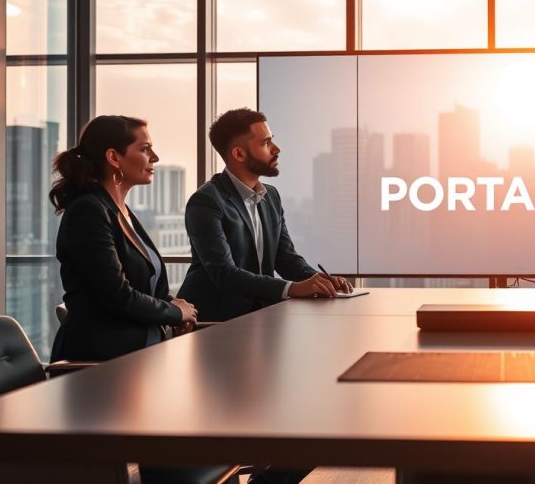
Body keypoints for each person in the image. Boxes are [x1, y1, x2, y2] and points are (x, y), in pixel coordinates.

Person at [178, 108, 352, 324]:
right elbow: (224, 273)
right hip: (215, 322)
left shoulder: (271, 196)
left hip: (261, 319)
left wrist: (319, 281)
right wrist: (294, 288)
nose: (276, 149)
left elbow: (285, 258)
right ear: (239, 154)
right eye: (266, 143)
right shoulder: (206, 201)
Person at [49, 115, 197, 362]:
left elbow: (141, 286)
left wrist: (174, 306)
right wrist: (173, 312)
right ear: (114, 157)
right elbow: (117, 295)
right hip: (104, 362)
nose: (155, 158)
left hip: (140, 357)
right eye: (145, 149)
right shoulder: (88, 211)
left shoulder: (121, 212)